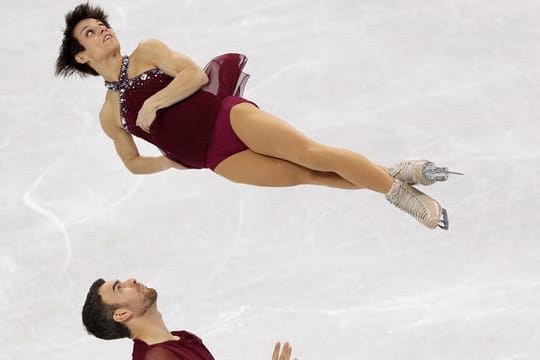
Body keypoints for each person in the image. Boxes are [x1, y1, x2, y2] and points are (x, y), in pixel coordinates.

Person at [56, 3, 461, 229]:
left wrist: (155, 102)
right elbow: (130, 163)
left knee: (312, 154)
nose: (102, 31)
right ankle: (393, 171)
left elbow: (194, 74)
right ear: (82, 56)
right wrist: (166, 162)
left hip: (227, 119)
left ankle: (399, 194)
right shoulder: (110, 115)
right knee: (308, 176)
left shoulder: (147, 50)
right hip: (217, 160)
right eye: (90, 33)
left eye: (101, 25)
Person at [82, 277, 296, 360]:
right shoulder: (158, 357)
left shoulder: (180, 338)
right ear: (121, 314)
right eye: (120, 288)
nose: (132, 280)